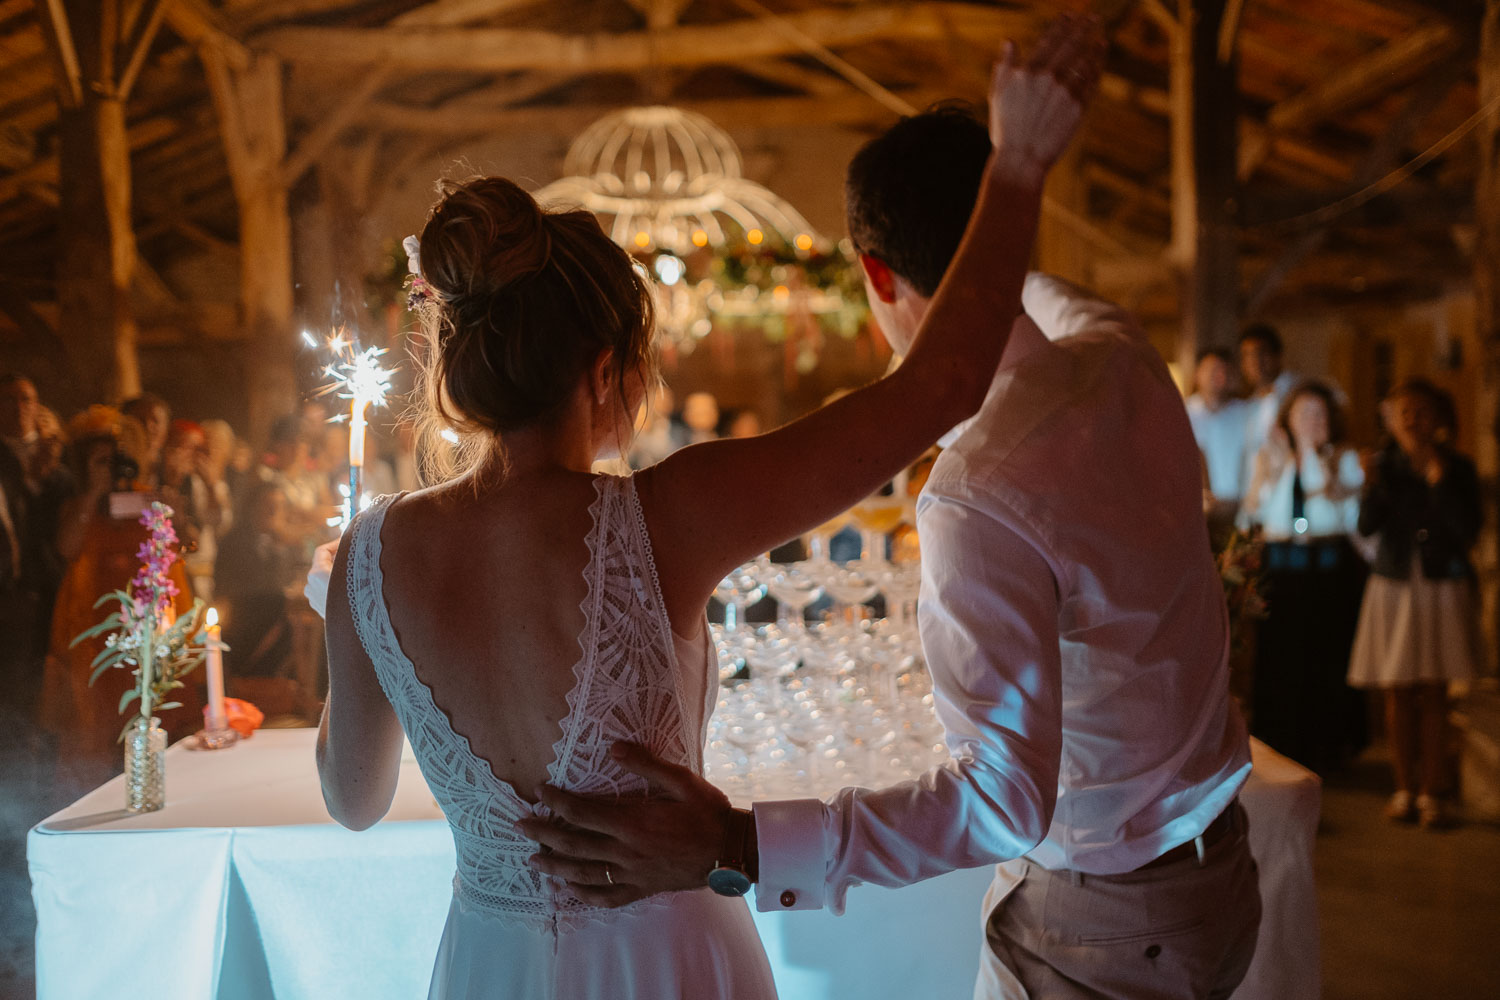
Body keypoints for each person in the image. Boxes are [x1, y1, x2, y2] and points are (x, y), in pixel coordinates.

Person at [307, 16, 1104, 999]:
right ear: (607, 369)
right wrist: (1018, 163)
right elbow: (939, 385)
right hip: (667, 959)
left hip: (491, 964)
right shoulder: (669, 516)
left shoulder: (368, 556)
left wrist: (344, 627)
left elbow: (352, 800)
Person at [521, 57, 1260, 1000]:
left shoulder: (975, 491)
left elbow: (1002, 800)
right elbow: (1030, 289)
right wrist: (1013, 175)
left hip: (1106, 925)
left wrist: (740, 841)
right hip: (1219, 875)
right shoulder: (1120, 351)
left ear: (875, 272)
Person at [1348, 379, 1482, 829]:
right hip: (1394, 585)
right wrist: (1375, 482)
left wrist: (1439, 478)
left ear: (1439, 418)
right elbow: (1366, 525)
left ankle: (1434, 791)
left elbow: (1467, 530)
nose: (1412, 420)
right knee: (1398, 688)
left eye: (1421, 411)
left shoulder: (1458, 468)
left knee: (1435, 690)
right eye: (1403, 411)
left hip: (1442, 585)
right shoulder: (1384, 468)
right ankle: (1403, 787)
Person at [1240, 381, 1366, 771]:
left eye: (1321, 414)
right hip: (1282, 563)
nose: (1314, 421)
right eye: (1305, 414)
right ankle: (1281, 738)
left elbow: (1336, 503)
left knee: (1325, 653)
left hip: (1326, 566)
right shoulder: (1271, 457)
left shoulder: (1342, 458)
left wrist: (1311, 453)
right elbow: (1253, 513)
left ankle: (1327, 743)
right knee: (1280, 654)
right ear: (1288, 420)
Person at [0, 374, 76, 712]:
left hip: (55, 584)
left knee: (55, 684)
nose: (18, 408)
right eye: (9, 400)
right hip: (12, 590)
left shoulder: (62, 461)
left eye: (26, 399)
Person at [1185, 348, 1250, 536]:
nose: (1219, 376)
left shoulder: (1245, 413)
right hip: (1194, 515)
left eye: (1225, 371)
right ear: (1198, 374)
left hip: (1239, 511)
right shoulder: (1183, 413)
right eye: (1213, 370)